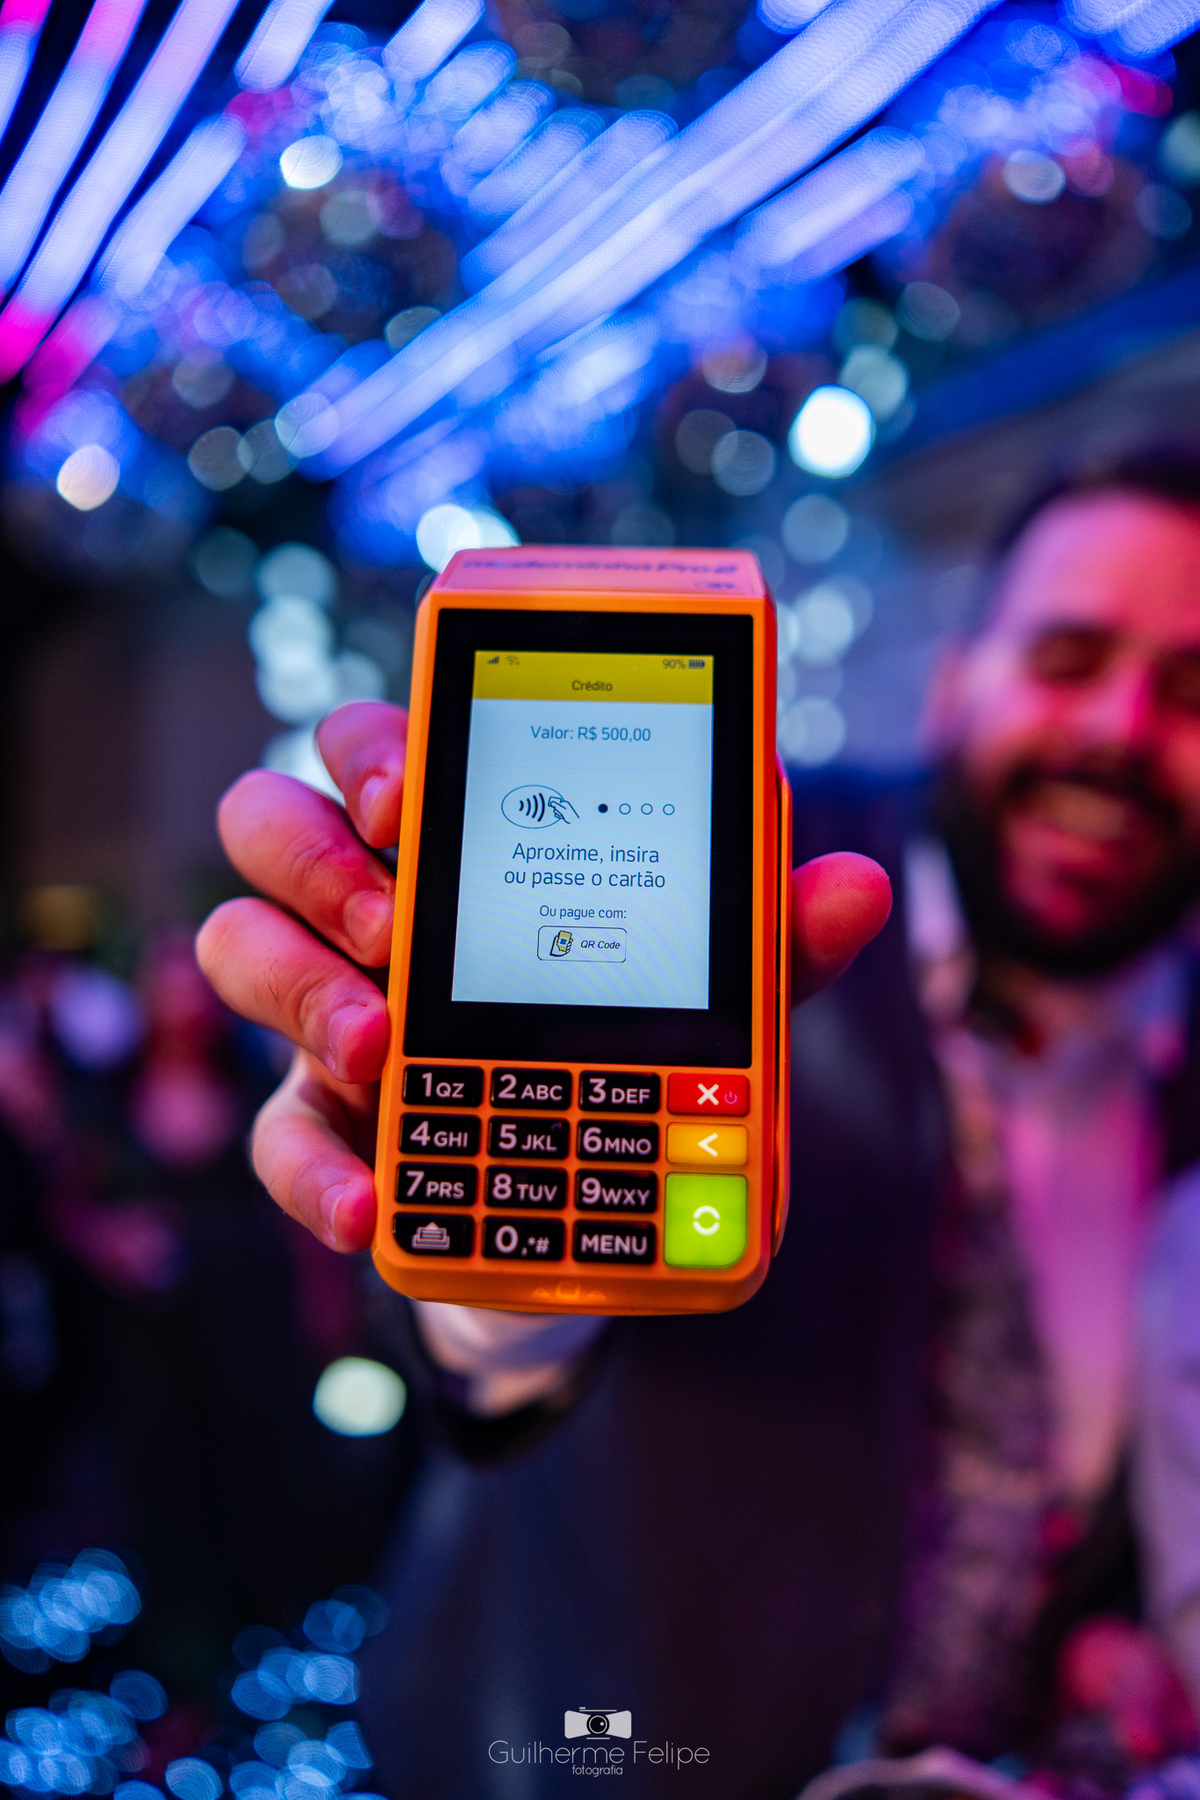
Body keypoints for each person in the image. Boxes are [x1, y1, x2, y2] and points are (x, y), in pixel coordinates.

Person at [198, 448, 1200, 1798]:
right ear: (958, 680)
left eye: (1193, 692)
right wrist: (473, 1230)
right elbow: (488, 1369)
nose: (1123, 730)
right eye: (1070, 658)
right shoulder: (760, 869)